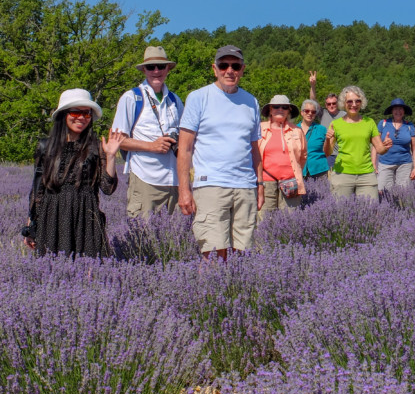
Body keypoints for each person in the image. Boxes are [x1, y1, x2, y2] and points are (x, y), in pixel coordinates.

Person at [177, 45, 264, 261]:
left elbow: (254, 148)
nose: (229, 71)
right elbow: (185, 148)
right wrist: (184, 190)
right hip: (210, 185)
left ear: (242, 69)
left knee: (244, 253)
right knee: (214, 254)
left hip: (245, 186)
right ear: (214, 69)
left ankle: (239, 294)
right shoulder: (198, 97)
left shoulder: (251, 101)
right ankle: (209, 295)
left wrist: (260, 185)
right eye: (223, 65)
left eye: (235, 66)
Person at [23, 89, 124, 257]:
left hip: (85, 216)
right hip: (52, 216)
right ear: (64, 114)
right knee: (52, 270)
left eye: (86, 113)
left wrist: (111, 156)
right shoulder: (45, 146)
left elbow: (107, 188)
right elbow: (38, 188)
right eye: (76, 112)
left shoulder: (95, 147)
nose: (81, 118)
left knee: (89, 270)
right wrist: (32, 222)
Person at [112, 46, 183, 217]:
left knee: (173, 240)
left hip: (174, 179)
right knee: (142, 238)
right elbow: (118, 140)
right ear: (144, 70)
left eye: (161, 66)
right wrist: (152, 146)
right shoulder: (131, 98)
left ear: (168, 69)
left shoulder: (175, 100)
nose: (156, 71)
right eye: (151, 67)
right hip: (145, 179)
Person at [324, 86, 392, 200]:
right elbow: (327, 153)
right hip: (342, 175)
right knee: (341, 213)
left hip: (366, 175)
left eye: (357, 101)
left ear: (362, 102)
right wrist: (327, 140)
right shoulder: (336, 124)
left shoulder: (369, 122)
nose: (354, 104)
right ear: (343, 103)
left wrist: (386, 146)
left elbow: (380, 150)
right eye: (349, 101)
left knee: (370, 211)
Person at [259, 95, 307, 215]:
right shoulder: (260, 129)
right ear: (270, 109)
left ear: (289, 111)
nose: (280, 109)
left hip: (291, 182)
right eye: (276, 106)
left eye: (284, 107)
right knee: (265, 220)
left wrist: (293, 172)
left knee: (290, 221)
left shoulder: (297, 131)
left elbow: (303, 156)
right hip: (266, 182)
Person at [375, 98, 415, 191]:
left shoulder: (409, 125)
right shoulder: (383, 123)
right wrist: (373, 164)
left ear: (404, 111)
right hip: (385, 163)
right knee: (382, 192)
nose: (398, 111)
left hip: (405, 163)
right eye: (395, 109)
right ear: (392, 111)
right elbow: (375, 145)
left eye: (400, 109)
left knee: (403, 193)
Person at [309, 71, 346, 169]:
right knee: (328, 182)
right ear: (326, 105)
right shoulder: (323, 114)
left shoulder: (344, 115)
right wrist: (313, 86)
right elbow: (312, 101)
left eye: (334, 103)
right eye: (329, 104)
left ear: (337, 103)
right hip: (327, 154)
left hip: (343, 154)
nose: (331, 106)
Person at [298, 99, 329, 180]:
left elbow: (327, 151)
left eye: (313, 112)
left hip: (319, 170)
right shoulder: (293, 129)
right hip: (299, 170)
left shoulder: (322, 130)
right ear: (302, 112)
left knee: (322, 192)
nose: (310, 113)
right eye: (307, 111)